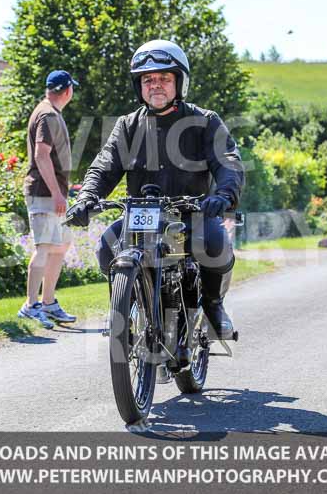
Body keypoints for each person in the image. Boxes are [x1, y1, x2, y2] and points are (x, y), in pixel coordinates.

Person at [65, 39, 244, 340]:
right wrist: (86, 197)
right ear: (140, 86)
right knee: (106, 246)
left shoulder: (204, 121)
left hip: (191, 214)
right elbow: (104, 166)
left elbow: (228, 163)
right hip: (141, 216)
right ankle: (130, 309)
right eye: (148, 80)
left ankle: (214, 306)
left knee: (214, 242)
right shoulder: (127, 125)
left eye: (164, 78)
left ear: (180, 82)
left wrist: (224, 195)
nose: (155, 85)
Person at [17, 71, 80, 329]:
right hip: (44, 192)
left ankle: (48, 302)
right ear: (67, 91)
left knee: (61, 245)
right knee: (43, 246)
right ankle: (30, 306)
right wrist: (56, 193)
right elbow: (42, 156)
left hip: (52, 192)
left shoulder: (50, 112)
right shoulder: (47, 114)